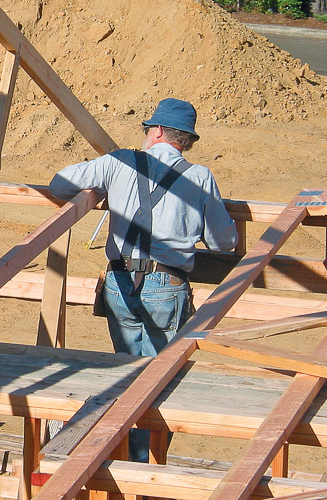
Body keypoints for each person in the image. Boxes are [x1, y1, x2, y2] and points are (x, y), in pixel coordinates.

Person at [48, 97, 237, 461]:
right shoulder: (199, 177)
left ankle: (125, 459)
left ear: (160, 131)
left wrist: (105, 190)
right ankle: (140, 465)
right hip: (166, 288)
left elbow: (59, 185)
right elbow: (224, 241)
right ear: (185, 140)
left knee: (128, 373)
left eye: (150, 128)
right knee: (158, 383)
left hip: (119, 284)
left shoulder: (119, 162)